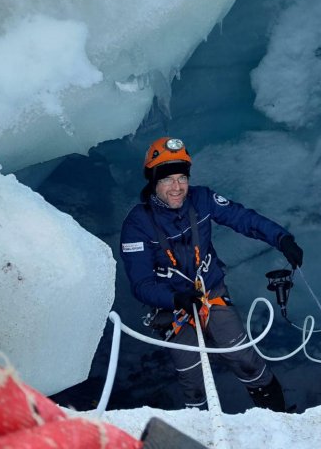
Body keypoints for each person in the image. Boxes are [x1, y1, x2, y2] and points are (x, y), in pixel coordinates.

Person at [120, 137, 304, 412]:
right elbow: (141, 283)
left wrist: (281, 238)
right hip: (173, 307)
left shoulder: (202, 199)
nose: (177, 187)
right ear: (153, 183)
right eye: (168, 180)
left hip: (210, 293)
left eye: (182, 178)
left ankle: (278, 419)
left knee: (244, 358)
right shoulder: (137, 224)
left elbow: (243, 219)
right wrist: (175, 299)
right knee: (192, 376)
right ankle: (204, 431)